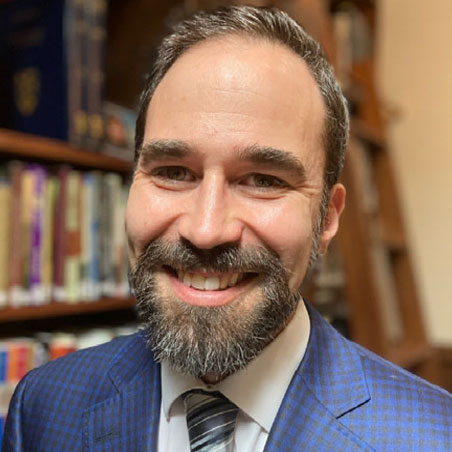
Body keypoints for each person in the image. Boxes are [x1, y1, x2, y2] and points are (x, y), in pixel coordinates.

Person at [3, 5, 451, 452]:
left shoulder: (432, 438)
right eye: (174, 172)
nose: (205, 230)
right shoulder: (44, 407)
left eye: (264, 181)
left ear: (327, 219)